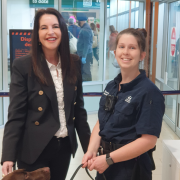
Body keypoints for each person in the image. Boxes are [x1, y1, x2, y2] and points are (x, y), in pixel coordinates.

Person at [1, 8, 91, 180]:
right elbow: (16, 114)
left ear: (62, 31)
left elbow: (78, 110)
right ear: (37, 34)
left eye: (55, 26)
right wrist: (8, 155)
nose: (50, 32)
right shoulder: (23, 66)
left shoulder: (74, 63)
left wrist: (89, 148)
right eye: (44, 28)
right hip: (33, 149)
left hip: (63, 148)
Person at [82, 28, 165, 180]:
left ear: (142, 55)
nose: (125, 52)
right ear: (115, 52)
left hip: (131, 168)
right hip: (105, 163)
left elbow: (148, 140)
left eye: (132, 48)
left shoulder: (149, 92)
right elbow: (102, 122)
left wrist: (108, 159)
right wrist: (91, 150)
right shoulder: (111, 87)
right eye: (121, 47)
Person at [76, 13, 93, 81]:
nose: (77, 23)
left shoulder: (85, 30)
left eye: (78, 21)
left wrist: (84, 56)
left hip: (85, 54)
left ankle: (88, 89)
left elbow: (87, 44)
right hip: (83, 53)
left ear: (80, 21)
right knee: (83, 71)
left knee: (86, 72)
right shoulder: (84, 28)